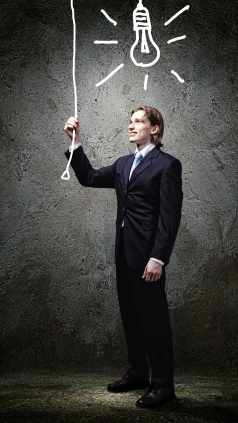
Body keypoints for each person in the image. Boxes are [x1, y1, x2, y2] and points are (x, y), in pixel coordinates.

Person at [64, 106, 183, 409]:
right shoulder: (122, 164)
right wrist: (76, 142)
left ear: (155, 129)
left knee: (154, 322)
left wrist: (158, 258)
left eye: (139, 122)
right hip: (123, 255)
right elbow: (88, 177)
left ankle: (163, 385)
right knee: (131, 319)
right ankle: (138, 373)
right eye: (130, 121)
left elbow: (170, 217)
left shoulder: (167, 165)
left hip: (148, 258)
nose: (131, 126)